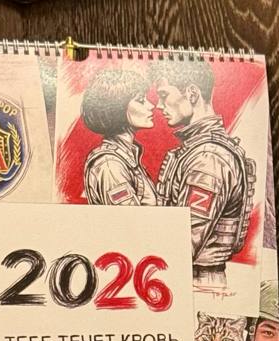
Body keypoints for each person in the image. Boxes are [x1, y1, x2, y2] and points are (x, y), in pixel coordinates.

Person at [154, 59, 255, 289]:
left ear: (191, 93)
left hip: (197, 285)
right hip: (191, 280)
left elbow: (183, 244)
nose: (159, 105)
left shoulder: (208, 157)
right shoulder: (199, 151)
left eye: (164, 95)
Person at [80, 66, 157, 205]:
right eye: (141, 100)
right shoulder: (110, 165)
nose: (151, 105)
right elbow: (127, 218)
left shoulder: (126, 156)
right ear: (117, 108)